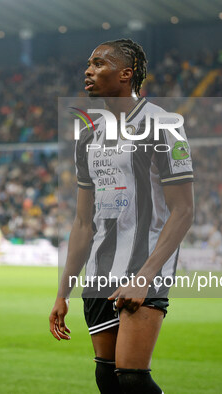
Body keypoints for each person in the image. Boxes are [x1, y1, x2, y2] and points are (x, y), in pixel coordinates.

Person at [49, 39, 194, 393]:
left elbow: (184, 209)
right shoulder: (88, 135)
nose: (88, 70)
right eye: (88, 64)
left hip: (144, 267)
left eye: (99, 64)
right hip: (100, 270)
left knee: (131, 379)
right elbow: (84, 223)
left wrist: (144, 277)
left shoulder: (164, 125)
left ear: (126, 74)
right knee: (107, 378)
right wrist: (62, 291)